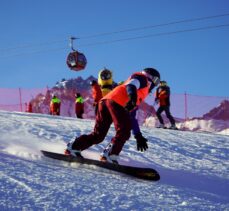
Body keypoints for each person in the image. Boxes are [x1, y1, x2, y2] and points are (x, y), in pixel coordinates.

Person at [65, 67, 160, 164]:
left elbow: (131, 117)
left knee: (98, 135)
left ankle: (74, 147)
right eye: (156, 81)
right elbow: (131, 85)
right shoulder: (143, 79)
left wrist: (138, 136)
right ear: (151, 77)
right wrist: (132, 97)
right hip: (116, 102)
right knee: (123, 131)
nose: (154, 85)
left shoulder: (140, 92)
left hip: (104, 102)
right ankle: (110, 155)